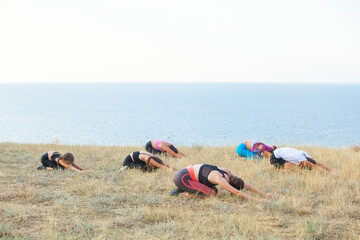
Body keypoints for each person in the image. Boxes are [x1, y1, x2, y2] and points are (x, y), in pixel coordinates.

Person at [171, 164, 274, 201]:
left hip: (186, 173)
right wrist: (257, 200)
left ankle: (185, 188)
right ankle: (181, 193)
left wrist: (264, 194)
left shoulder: (228, 172)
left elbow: (246, 185)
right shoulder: (220, 178)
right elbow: (237, 192)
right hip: (182, 177)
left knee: (214, 190)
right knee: (210, 193)